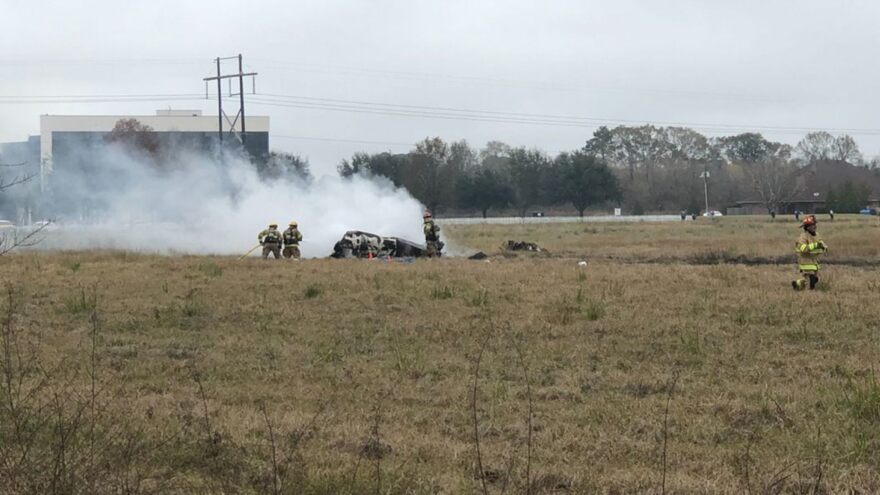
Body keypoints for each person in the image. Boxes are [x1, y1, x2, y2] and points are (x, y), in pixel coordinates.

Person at [791, 215, 828, 291]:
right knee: (811, 281)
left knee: (814, 279)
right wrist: (816, 246)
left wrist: (824, 247)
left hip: (814, 262)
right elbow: (803, 248)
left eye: (815, 224)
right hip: (806, 262)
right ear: (808, 227)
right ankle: (809, 294)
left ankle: (797, 284)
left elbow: (821, 243)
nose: (815, 226)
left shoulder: (817, 235)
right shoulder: (803, 237)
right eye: (813, 225)